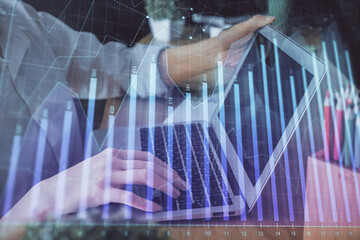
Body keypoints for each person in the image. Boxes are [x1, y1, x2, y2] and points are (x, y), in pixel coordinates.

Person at [0, 0, 274, 238]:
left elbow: (114, 65)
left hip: (100, 195)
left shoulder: (14, 16)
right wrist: (43, 199)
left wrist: (213, 51)